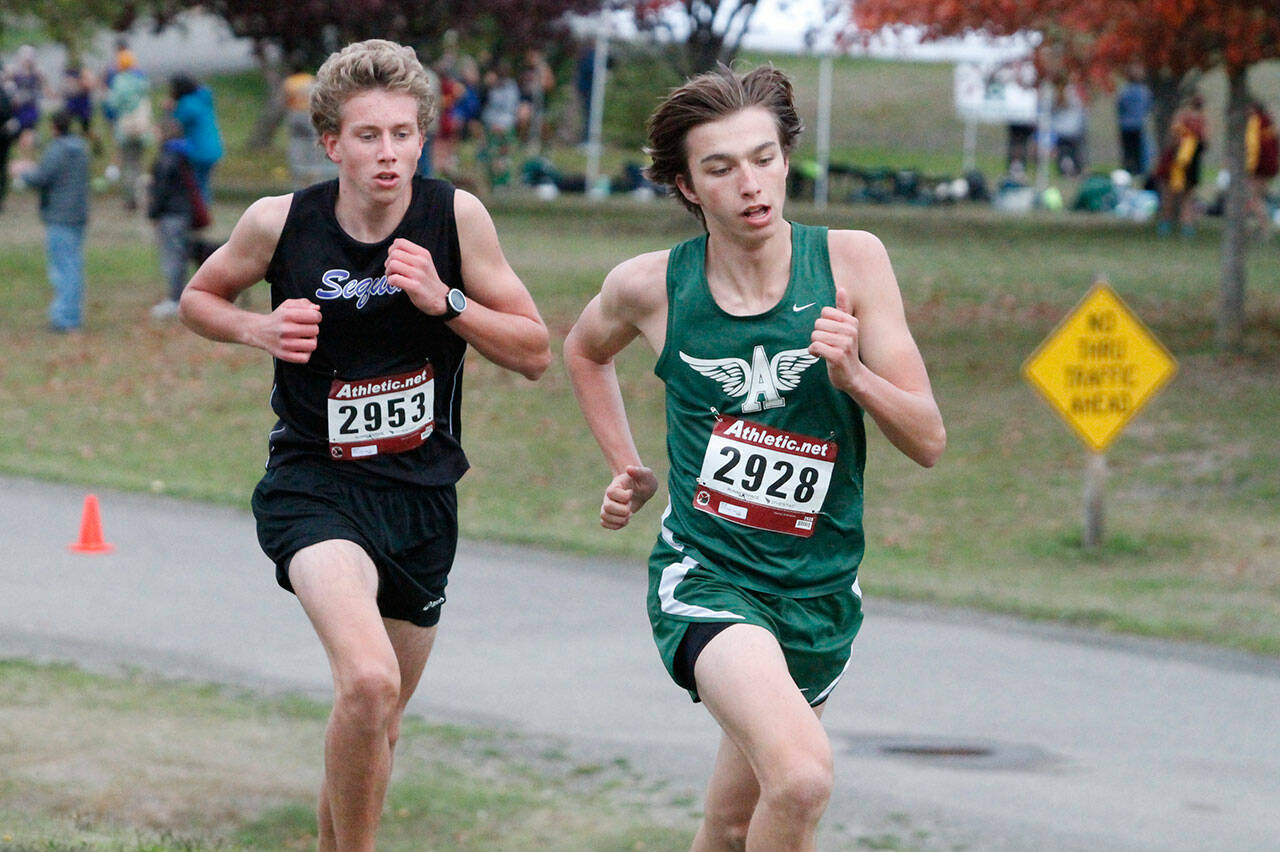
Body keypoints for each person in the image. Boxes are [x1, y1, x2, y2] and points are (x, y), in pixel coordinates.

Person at [177, 39, 551, 851]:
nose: (390, 153)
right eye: (369, 135)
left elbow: (532, 350)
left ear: (424, 136)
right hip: (314, 483)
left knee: (374, 719)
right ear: (332, 143)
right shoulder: (280, 223)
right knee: (370, 681)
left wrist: (445, 299)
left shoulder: (456, 219)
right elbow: (200, 297)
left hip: (419, 497)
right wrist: (259, 327)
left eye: (404, 133)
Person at [563, 66, 944, 850]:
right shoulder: (651, 288)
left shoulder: (852, 264)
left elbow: (928, 439)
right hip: (708, 577)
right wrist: (625, 465)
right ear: (686, 186)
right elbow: (584, 350)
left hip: (820, 590)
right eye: (721, 167)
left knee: (736, 820)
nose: (751, 183)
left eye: (764, 157)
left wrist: (856, 376)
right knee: (801, 778)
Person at [17, 109, 91, 332]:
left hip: (59, 214)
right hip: (78, 213)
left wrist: (22, 171)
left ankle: (65, 318)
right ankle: (71, 313)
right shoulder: (81, 149)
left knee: (62, 268)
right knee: (73, 264)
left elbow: (42, 177)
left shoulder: (57, 150)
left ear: (54, 127)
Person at [147, 118, 198, 320]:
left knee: (173, 258)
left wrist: (153, 211)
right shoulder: (182, 155)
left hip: (171, 213)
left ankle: (176, 299)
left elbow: (161, 189)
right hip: (182, 212)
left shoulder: (167, 158)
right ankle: (177, 296)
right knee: (178, 255)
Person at [1154, 92, 1208, 237]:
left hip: (1179, 161)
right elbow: (1206, 142)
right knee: (1186, 196)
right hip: (1187, 161)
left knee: (1170, 195)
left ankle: (1169, 224)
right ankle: (1185, 226)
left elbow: (1173, 139)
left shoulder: (1182, 118)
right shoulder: (1201, 121)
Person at [104, 51, 152, 210]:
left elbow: (113, 104)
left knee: (127, 164)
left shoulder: (119, 81)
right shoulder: (140, 81)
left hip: (125, 130)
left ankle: (130, 199)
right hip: (141, 129)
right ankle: (140, 196)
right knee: (138, 164)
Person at [168, 72, 223, 203]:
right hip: (215, 147)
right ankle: (205, 209)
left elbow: (175, 125)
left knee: (197, 184)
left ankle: (200, 211)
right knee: (204, 182)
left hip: (199, 149)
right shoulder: (204, 97)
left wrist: (170, 109)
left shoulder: (187, 103)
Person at [1245, 97, 1278, 234]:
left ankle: (1264, 229)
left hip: (1259, 166)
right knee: (1258, 197)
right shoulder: (1269, 122)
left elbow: (1252, 146)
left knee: (1253, 197)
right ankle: (1259, 226)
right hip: (1271, 166)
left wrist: (1249, 167)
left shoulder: (1255, 121)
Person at [1115, 63, 1153, 177]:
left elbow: (1119, 106)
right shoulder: (1144, 91)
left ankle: (1128, 171)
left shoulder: (1123, 91)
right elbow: (1148, 106)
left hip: (1125, 125)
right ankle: (1139, 171)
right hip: (1138, 124)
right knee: (1138, 150)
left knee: (1128, 150)